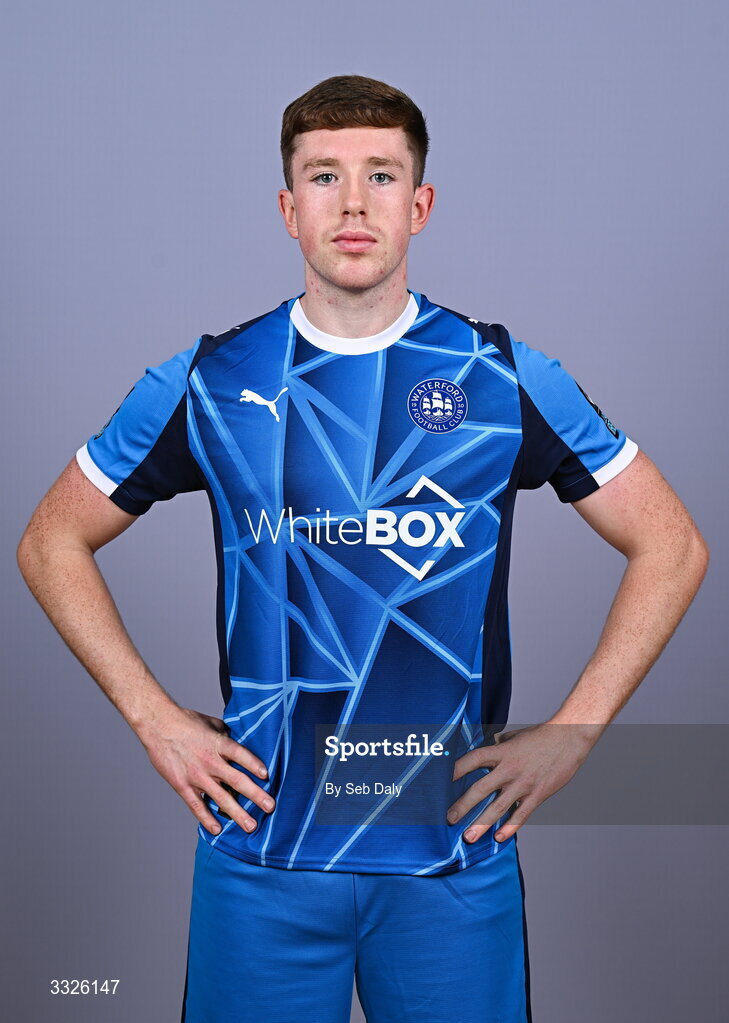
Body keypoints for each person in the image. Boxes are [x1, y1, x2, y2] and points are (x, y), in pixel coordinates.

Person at [17, 74, 709, 1023]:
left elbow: (671, 546)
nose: (352, 202)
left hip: (448, 858)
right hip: (263, 856)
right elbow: (51, 540)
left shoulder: (500, 376)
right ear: (286, 207)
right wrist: (152, 717)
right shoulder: (210, 380)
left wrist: (574, 735)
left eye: (381, 176)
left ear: (419, 204)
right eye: (324, 176)